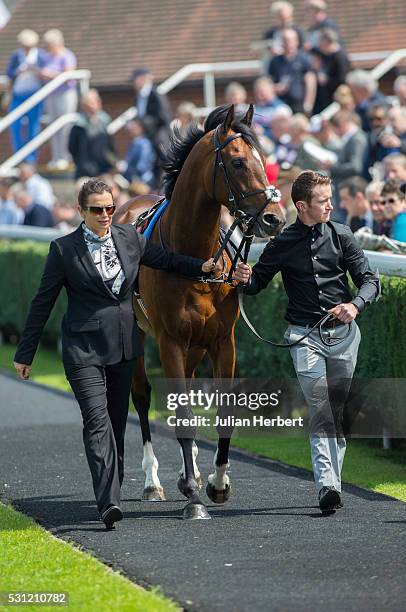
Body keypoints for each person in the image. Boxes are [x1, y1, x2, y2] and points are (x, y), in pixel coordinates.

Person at [13, 178, 220, 529]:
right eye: (97, 210)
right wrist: (26, 352)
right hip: (83, 350)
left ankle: (115, 485)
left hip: (124, 347)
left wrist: (202, 267)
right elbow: (42, 302)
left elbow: (166, 260)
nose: (106, 215)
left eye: (110, 208)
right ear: (82, 211)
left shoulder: (130, 238)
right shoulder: (63, 249)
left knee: (117, 423)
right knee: (97, 423)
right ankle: (108, 502)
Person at [234, 170, 380, 512]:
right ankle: (327, 485)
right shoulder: (281, 243)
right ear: (301, 206)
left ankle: (332, 482)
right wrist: (244, 277)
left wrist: (355, 305)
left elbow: (370, 280)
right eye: (323, 201)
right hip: (304, 337)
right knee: (320, 409)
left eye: (330, 199)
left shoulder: (343, 235)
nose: (330, 205)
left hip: (345, 337)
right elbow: (256, 284)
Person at [6, 29, 47, 163]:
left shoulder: (40, 55)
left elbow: (46, 73)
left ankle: (32, 158)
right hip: (18, 94)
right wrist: (18, 71)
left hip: (34, 94)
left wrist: (35, 71)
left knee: (33, 126)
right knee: (15, 126)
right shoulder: (17, 55)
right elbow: (9, 74)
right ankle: (19, 156)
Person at [40, 29, 78, 170]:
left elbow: (68, 74)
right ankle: (56, 157)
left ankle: (66, 156)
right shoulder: (47, 57)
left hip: (65, 94)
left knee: (65, 126)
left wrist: (49, 74)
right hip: (51, 95)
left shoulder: (67, 55)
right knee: (53, 126)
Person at [68, 89, 116, 179]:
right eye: (91, 102)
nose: (96, 104)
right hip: (85, 171)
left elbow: (109, 146)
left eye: (97, 101)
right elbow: (72, 148)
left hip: (103, 169)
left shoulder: (104, 121)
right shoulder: (79, 125)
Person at [268, 28, 316, 115]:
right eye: (285, 41)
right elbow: (269, 82)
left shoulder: (304, 59)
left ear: (296, 41)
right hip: (280, 105)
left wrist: (308, 103)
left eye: (290, 40)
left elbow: (311, 82)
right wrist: (275, 88)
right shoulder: (275, 61)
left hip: (299, 104)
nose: (287, 44)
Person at [122, 118, 156, 187]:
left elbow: (141, 166)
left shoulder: (143, 144)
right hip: (136, 179)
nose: (131, 128)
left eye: (135, 126)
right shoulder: (136, 142)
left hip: (143, 181)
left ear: (141, 128)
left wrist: (126, 169)